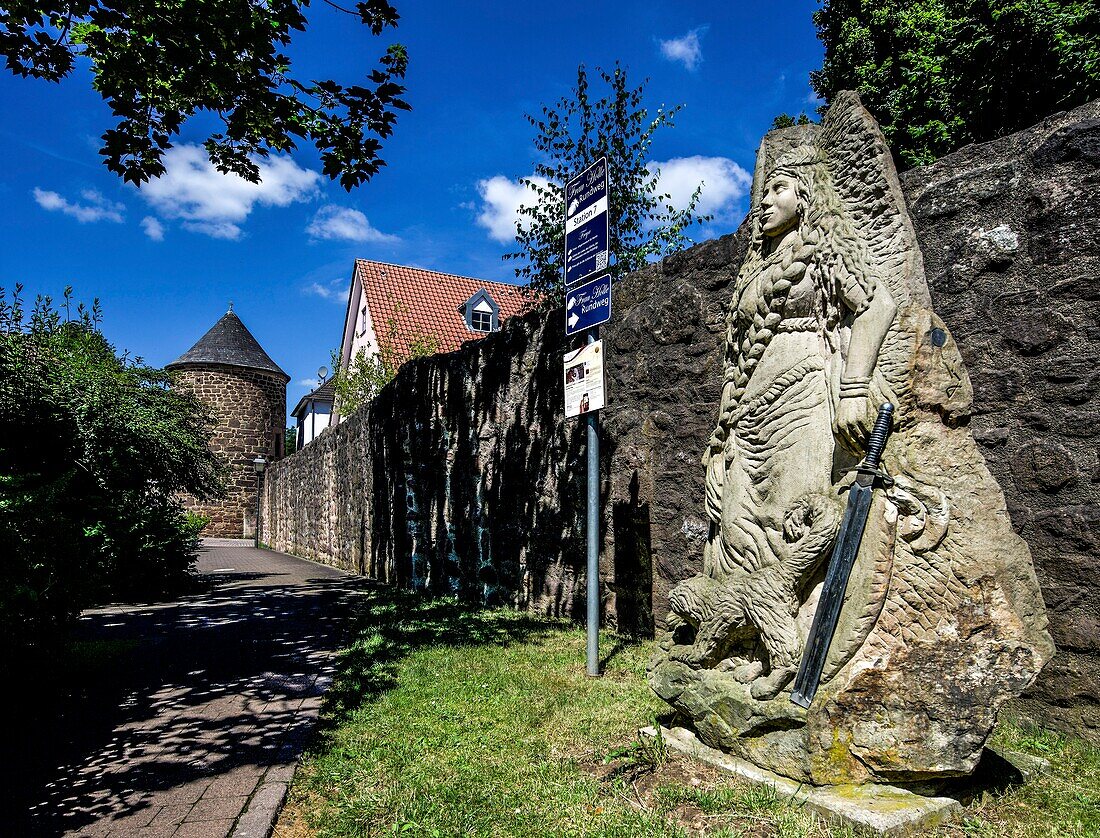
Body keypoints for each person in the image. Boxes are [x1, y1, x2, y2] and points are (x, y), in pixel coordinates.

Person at [671, 145, 897, 699]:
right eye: (765, 190)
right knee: (738, 528)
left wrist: (853, 388)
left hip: (801, 400)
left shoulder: (825, 247)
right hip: (748, 411)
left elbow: (878, 305)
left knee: (788, 523)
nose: (766, 201)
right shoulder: (758, 265)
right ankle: (747, 646)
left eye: (779, 189)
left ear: (807, 194)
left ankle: (790, 652)